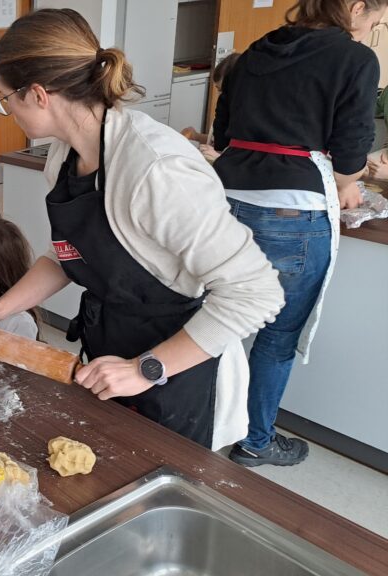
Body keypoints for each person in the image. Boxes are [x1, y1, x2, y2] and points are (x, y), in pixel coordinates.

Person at [0, 8, 284, 450]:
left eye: (6, 99)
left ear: (38, 95)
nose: (6, 111)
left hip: (179, 367)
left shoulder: (157, 169)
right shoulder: (65, 156)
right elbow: (68, 253)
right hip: (110, 348)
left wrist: (147, 368)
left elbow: (256, 293)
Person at [212, 0, 385, 466]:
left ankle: (196, 425)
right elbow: (349, 161)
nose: (370, 30)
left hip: (225, 203)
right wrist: (346, 184)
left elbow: (221, 137)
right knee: (277, 336)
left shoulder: (254, 52)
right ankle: (255, 442)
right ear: (356, 7)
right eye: (375, 21)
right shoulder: (355, 59)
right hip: (293, 215)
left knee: (214, 320)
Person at [180, 52, 241, 162]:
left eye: (223, 90)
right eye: (218, 89)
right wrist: (196, 136)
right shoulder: (223, 113)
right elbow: (215, 141)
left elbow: (243, 161)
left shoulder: (244, 122)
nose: (220, 96)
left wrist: (219, 158)